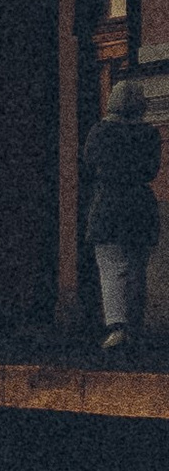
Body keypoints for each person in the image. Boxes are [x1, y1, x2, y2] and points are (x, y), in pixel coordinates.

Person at [82, 73, 162, 354]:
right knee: (137, 269)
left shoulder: (99, 132)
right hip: (141, 203)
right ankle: (135, 327)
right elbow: (152, 170)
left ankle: (117, 327)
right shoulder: (150, 133)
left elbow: (89, 163)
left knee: (112, 267)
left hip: (109, 204)